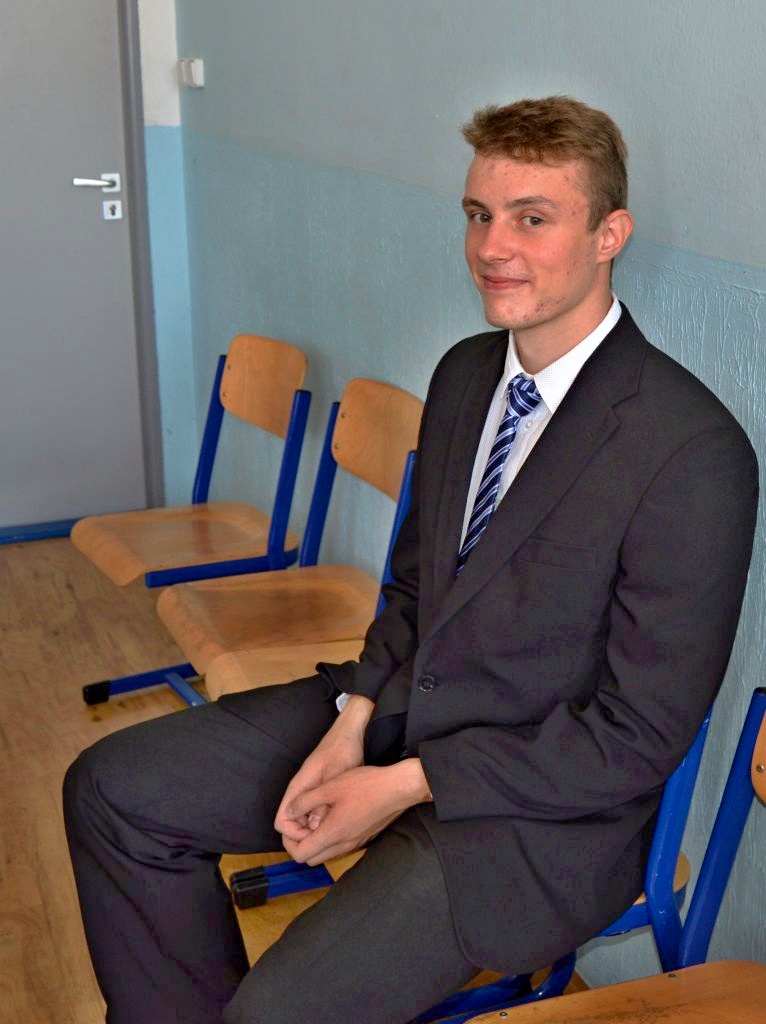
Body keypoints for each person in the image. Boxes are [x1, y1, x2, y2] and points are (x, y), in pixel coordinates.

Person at [64, 96, 758, 1024]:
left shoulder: (691, 451)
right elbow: (414, 586)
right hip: (399, 713)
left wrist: (402, 785)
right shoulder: (465, 374)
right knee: (113, 791)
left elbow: (636, 736)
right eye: (479, 214)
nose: (492, 247)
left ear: (609, 235)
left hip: (537, 817)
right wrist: (351, 722)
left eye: (533, 218)